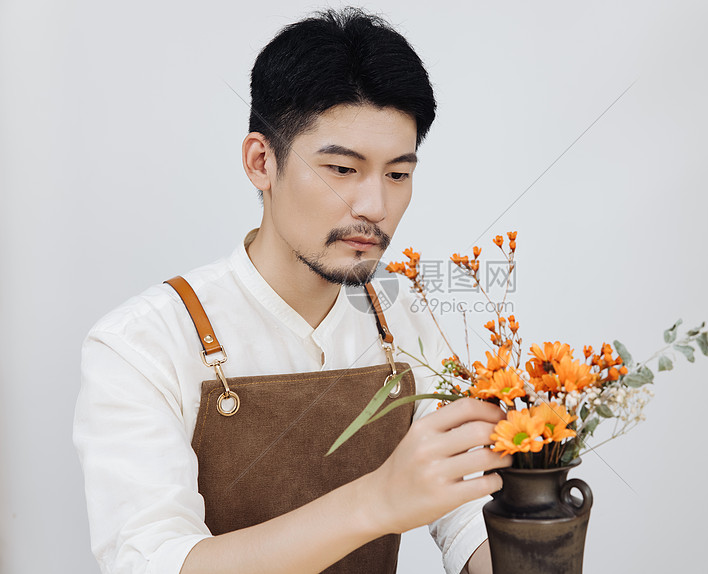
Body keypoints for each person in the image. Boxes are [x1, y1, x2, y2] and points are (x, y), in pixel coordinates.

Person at [72, 7, 511, 574]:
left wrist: (531, 537)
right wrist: (375, 501)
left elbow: (467, 509)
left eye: (398, 174)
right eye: (341, 170)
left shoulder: (408, 318)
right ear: (262, 162)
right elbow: (153, 561)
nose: (374, 208)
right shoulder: (142, 344)